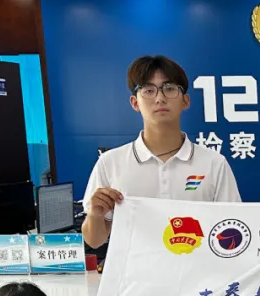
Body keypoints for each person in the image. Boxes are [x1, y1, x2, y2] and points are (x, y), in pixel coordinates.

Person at [82, 55, 241, 249]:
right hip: (136, 269)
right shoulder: (110, 163)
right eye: (148, 90)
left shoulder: (214, 163)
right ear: (135, 102)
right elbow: (94, 241)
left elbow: (234, 229)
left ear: (185, 101)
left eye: (170, 89)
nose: (159, 98)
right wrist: (95, 214)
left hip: (197, 268)